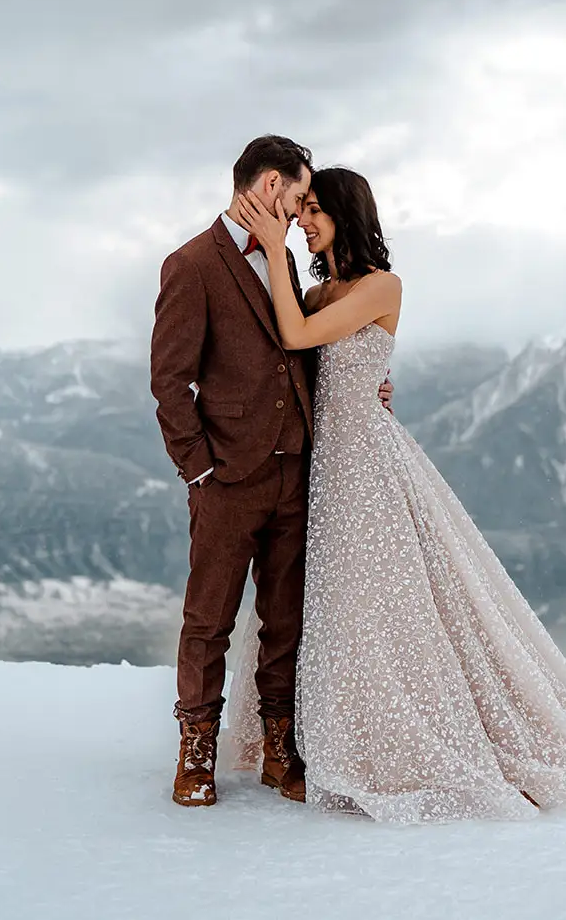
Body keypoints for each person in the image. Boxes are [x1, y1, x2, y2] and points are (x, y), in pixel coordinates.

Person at [225, 167, 566, 823]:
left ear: (346, 214)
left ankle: (387, 738)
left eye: (312, 211)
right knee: (324, 599)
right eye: (298, 212)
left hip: (366, 467)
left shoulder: (383, 284)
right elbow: (292, 352)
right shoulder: (320, 288)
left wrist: (272, 248)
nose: (301, 222)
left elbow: (301, 337)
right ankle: (304, 735)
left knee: (373, 600)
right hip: (321, 467)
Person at [149, 136, 392, 808]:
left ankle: (279, 747)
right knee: (209, 619)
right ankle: (195, 750)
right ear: (267, 185)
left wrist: (363, 381)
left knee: (286, 619)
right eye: (296, 195)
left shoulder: (285, 261)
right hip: (229, 478)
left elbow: (300, 352)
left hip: (300, 471)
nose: (300, 211)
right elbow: (169, 383)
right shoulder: (191, 264)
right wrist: (199, 470)